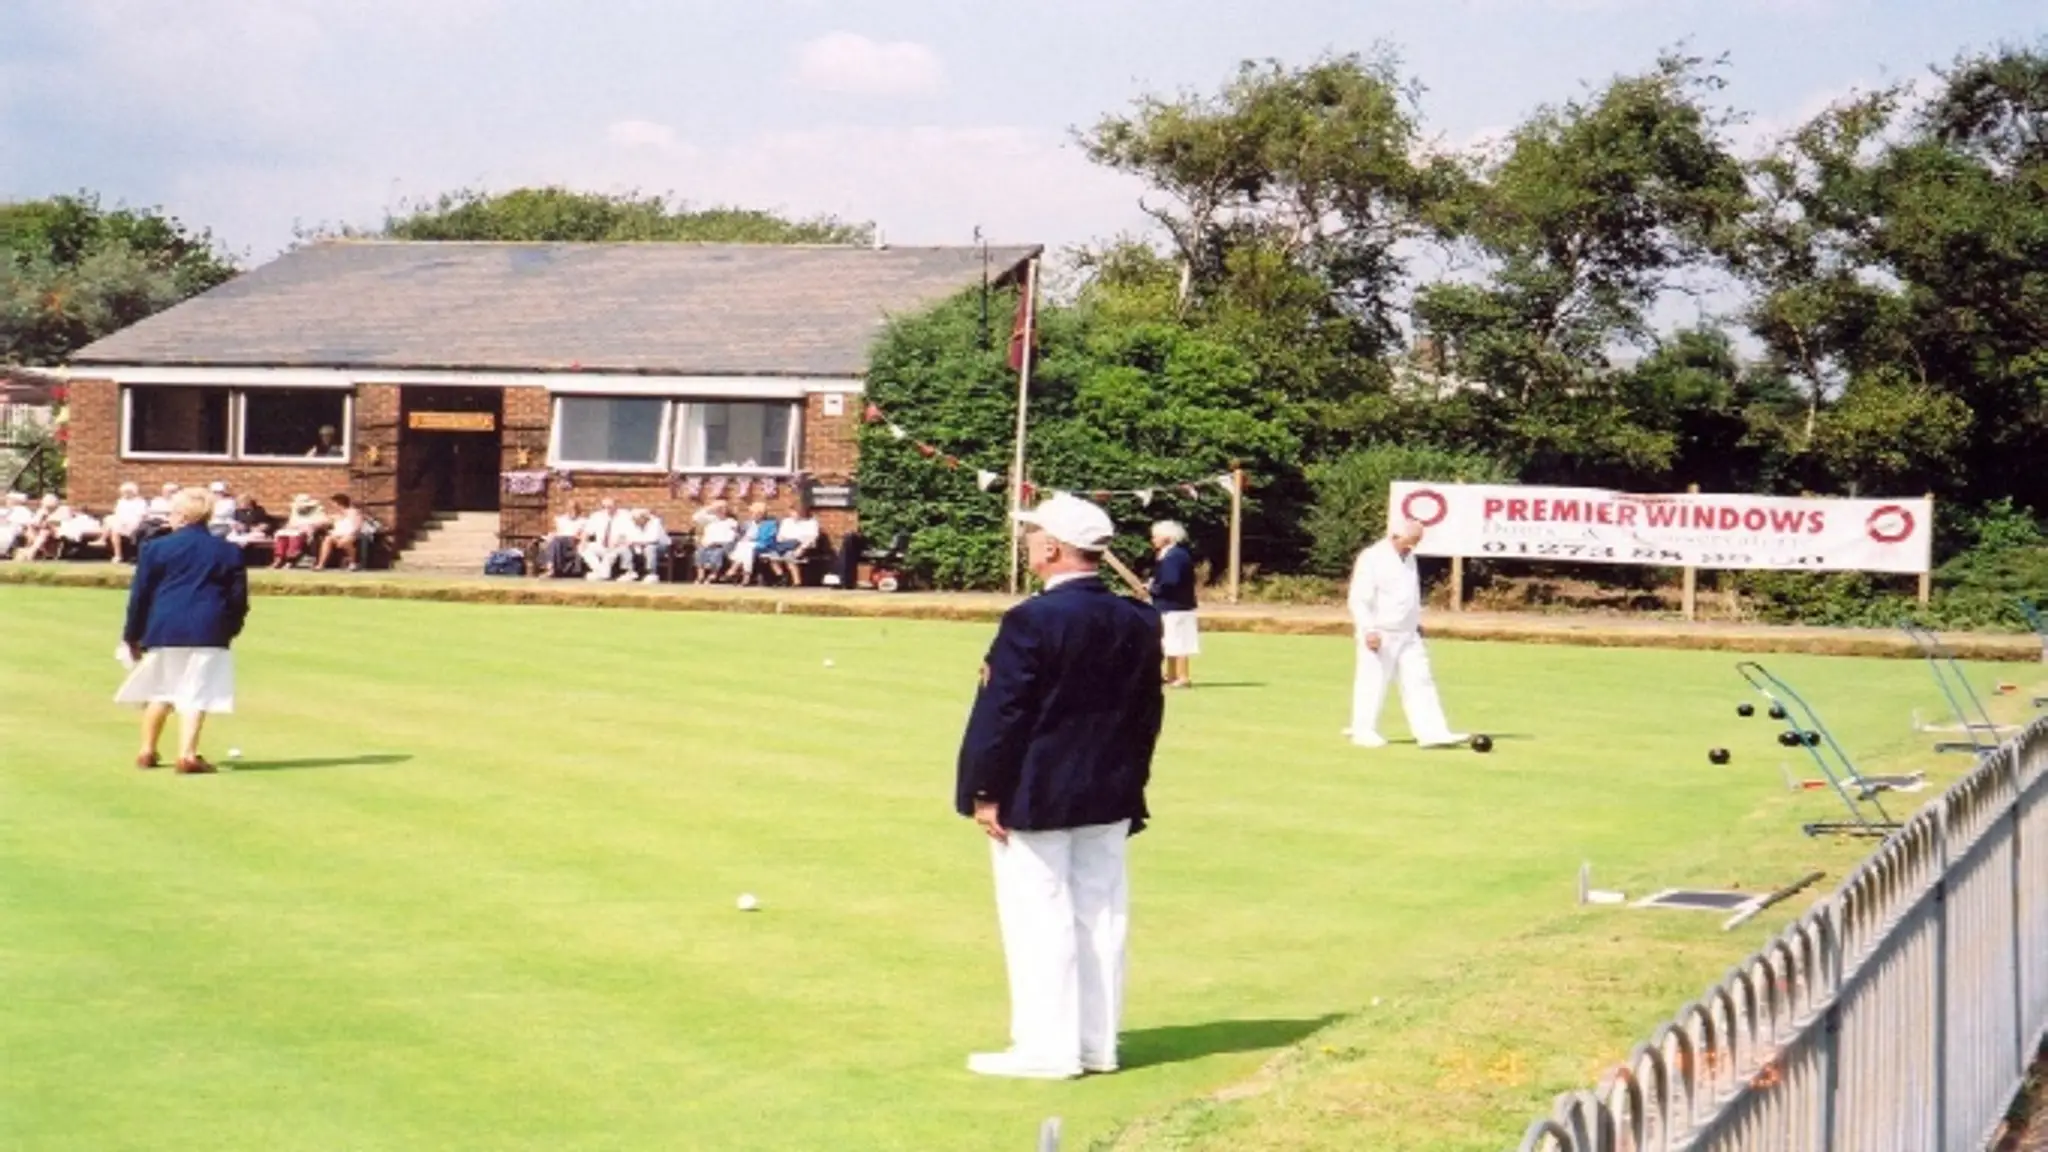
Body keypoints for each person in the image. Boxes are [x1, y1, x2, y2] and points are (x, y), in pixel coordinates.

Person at [954, 493, 1165, 1080]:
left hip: (1038, 792)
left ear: (1051, 549)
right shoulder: (1139, 617)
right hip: (1110, 789)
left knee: (1039, 918)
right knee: (1100, 917)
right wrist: (1133, 785)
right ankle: (1096, 1044)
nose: (1028, 543)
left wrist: (983, 790)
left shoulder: (1032, 619)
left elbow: (1003, 715)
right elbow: (1147, 715)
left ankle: (1048, 1049)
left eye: (1034, 536)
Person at [115, 487, 250, 774]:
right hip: (209, 627)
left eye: (174, 512)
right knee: (196, 692)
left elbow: (140, 596)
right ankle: (187, 754)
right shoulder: (228, 551)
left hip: (165, 626)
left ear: (183, 515)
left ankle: (147, 750)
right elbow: (238, 599)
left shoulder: (156, 548)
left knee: (162, 689)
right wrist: (231, 628)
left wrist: (132, 635)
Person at [1345, 518, 1467, 748]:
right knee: (1373, 681)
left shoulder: (1409, 557)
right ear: (1395, 536)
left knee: (1421, 679)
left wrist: (1416, 622)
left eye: (1417, 542)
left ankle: (1432, 732)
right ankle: (1363, 730)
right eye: (1410, 541)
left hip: (1408, 632)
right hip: (1380, 632)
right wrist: (1368, 629)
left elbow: (1408, 595)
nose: (1413, 547)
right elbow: (1359, 599)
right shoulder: (1372, 557)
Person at [1147, 520, 1199, 688]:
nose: (1153, 540)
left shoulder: (1175, 556)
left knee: (1179, 642)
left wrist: (1153, 588)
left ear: (1168, 538)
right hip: (1171, 606)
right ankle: (1171, 675)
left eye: (1156, 536)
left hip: (1177, 606)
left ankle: (1183, 677)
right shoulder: (1170, 555)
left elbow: (1171, 581)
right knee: (1170, 641)